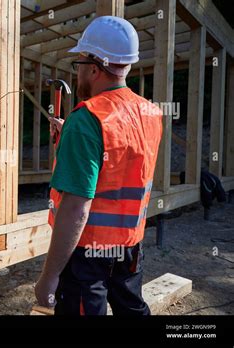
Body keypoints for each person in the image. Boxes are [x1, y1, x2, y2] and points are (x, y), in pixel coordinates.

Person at [35, 15, 163, 315]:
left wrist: (49, 276)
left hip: (88, 254)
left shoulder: (86, 120)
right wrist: (73, 135)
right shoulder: (150, 113)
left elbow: (77, 207)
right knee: (131, 310)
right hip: (130, 245)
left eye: (78, 64)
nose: (77, 73)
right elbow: (121, 156)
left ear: (94, 67)